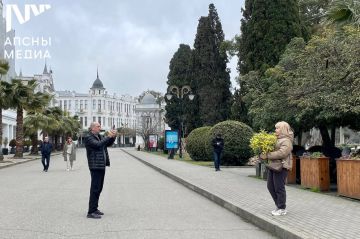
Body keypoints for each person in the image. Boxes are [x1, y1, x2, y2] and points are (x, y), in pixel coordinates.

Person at [260, 121, 293, 216]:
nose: (275, 130)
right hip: (273, 165)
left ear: (282, 129)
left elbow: (282, 153)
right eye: (276, 128)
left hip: (282, 166)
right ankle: (278, 206)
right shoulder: (276, 139)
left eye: (277, 128)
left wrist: (267, 155)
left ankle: (282, 208)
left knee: (279, 187)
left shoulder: (286, 140)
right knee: (270, 186)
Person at [85, 122, 116, 219]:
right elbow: (98, 145)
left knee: (99, 188)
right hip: (95, 166)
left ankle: (95, 209)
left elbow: (107, 144)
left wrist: (113, 137)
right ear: (93, 128)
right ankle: (91, 212)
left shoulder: (99, 136)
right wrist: (108, 136)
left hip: (101, 165)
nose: (100, 128)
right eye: (98, 126)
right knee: (94, 188)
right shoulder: (89, 137)